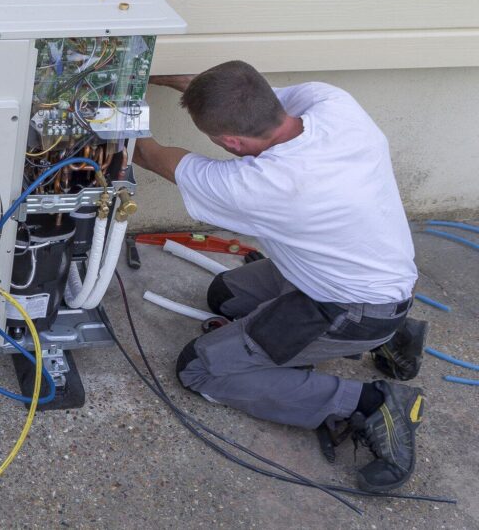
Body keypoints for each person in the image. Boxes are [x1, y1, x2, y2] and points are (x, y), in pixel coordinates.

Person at [132, 60, 427, 492]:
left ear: (230, 141)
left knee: (201, 369)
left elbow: (146, 153)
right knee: (225, 296)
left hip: (349, 307)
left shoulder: (267, 183)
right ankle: (394, 334)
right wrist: (137, 74)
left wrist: (120, 98)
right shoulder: (333, 104)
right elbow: (212, 87)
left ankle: (370, 403)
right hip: (366, 274)